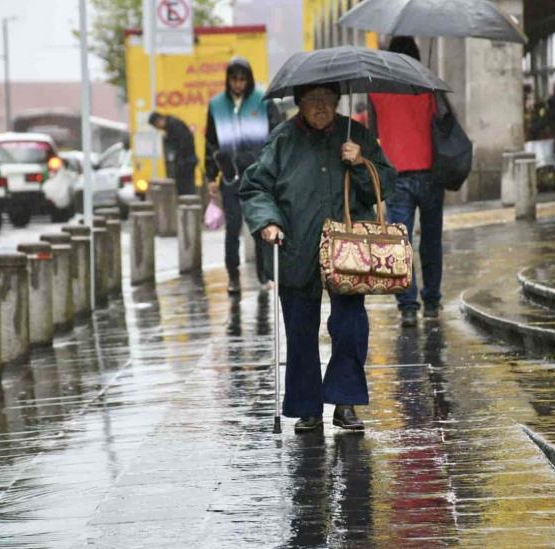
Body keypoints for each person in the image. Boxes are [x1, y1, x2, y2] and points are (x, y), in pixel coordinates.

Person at [240, 82, 397, 433]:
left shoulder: (355, 134)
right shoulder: (282, 139)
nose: (321, 107)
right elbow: (255, 187)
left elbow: (384, 183)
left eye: (327, 99)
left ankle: (345, 402)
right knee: (299, 329)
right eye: (313, 100)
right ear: (299, 104)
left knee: (351, 326)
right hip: (296, 245)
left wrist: (360, 162)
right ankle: (307, 406)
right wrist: (267, 222)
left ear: (337, 101)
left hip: (348, 250)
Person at [367, 36, 442, 327]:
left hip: (396, 176)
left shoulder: (376, 92)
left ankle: (408, 305)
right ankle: (432, 301)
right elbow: (442, 125)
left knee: (401, 242)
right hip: (431, 173)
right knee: (432, 240)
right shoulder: (429, 88)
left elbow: (373, 134)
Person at [205, 56, 279, 296]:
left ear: (249, 79)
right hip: (230, 177)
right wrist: (210, 177)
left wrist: (274, 170)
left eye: (242, 79)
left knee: (260, 227)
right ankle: (233, 277)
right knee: (232, 228)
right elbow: (211, 143)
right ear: (228, 80)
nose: (238, 83)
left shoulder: (263, 100)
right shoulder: (216, 105)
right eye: (234, 79)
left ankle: (263, 274)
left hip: (258, 176)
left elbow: (277, 135)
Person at [147, 112, 197, 195]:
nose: (158, 128)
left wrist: (179, 160)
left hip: (186, 161)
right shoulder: (170, 126)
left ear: (159, 120)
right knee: (183, 187)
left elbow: (184, 143)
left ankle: (188, 204)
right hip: (184, 161)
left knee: (186, 188)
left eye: (156, 126)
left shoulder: (174, 125)